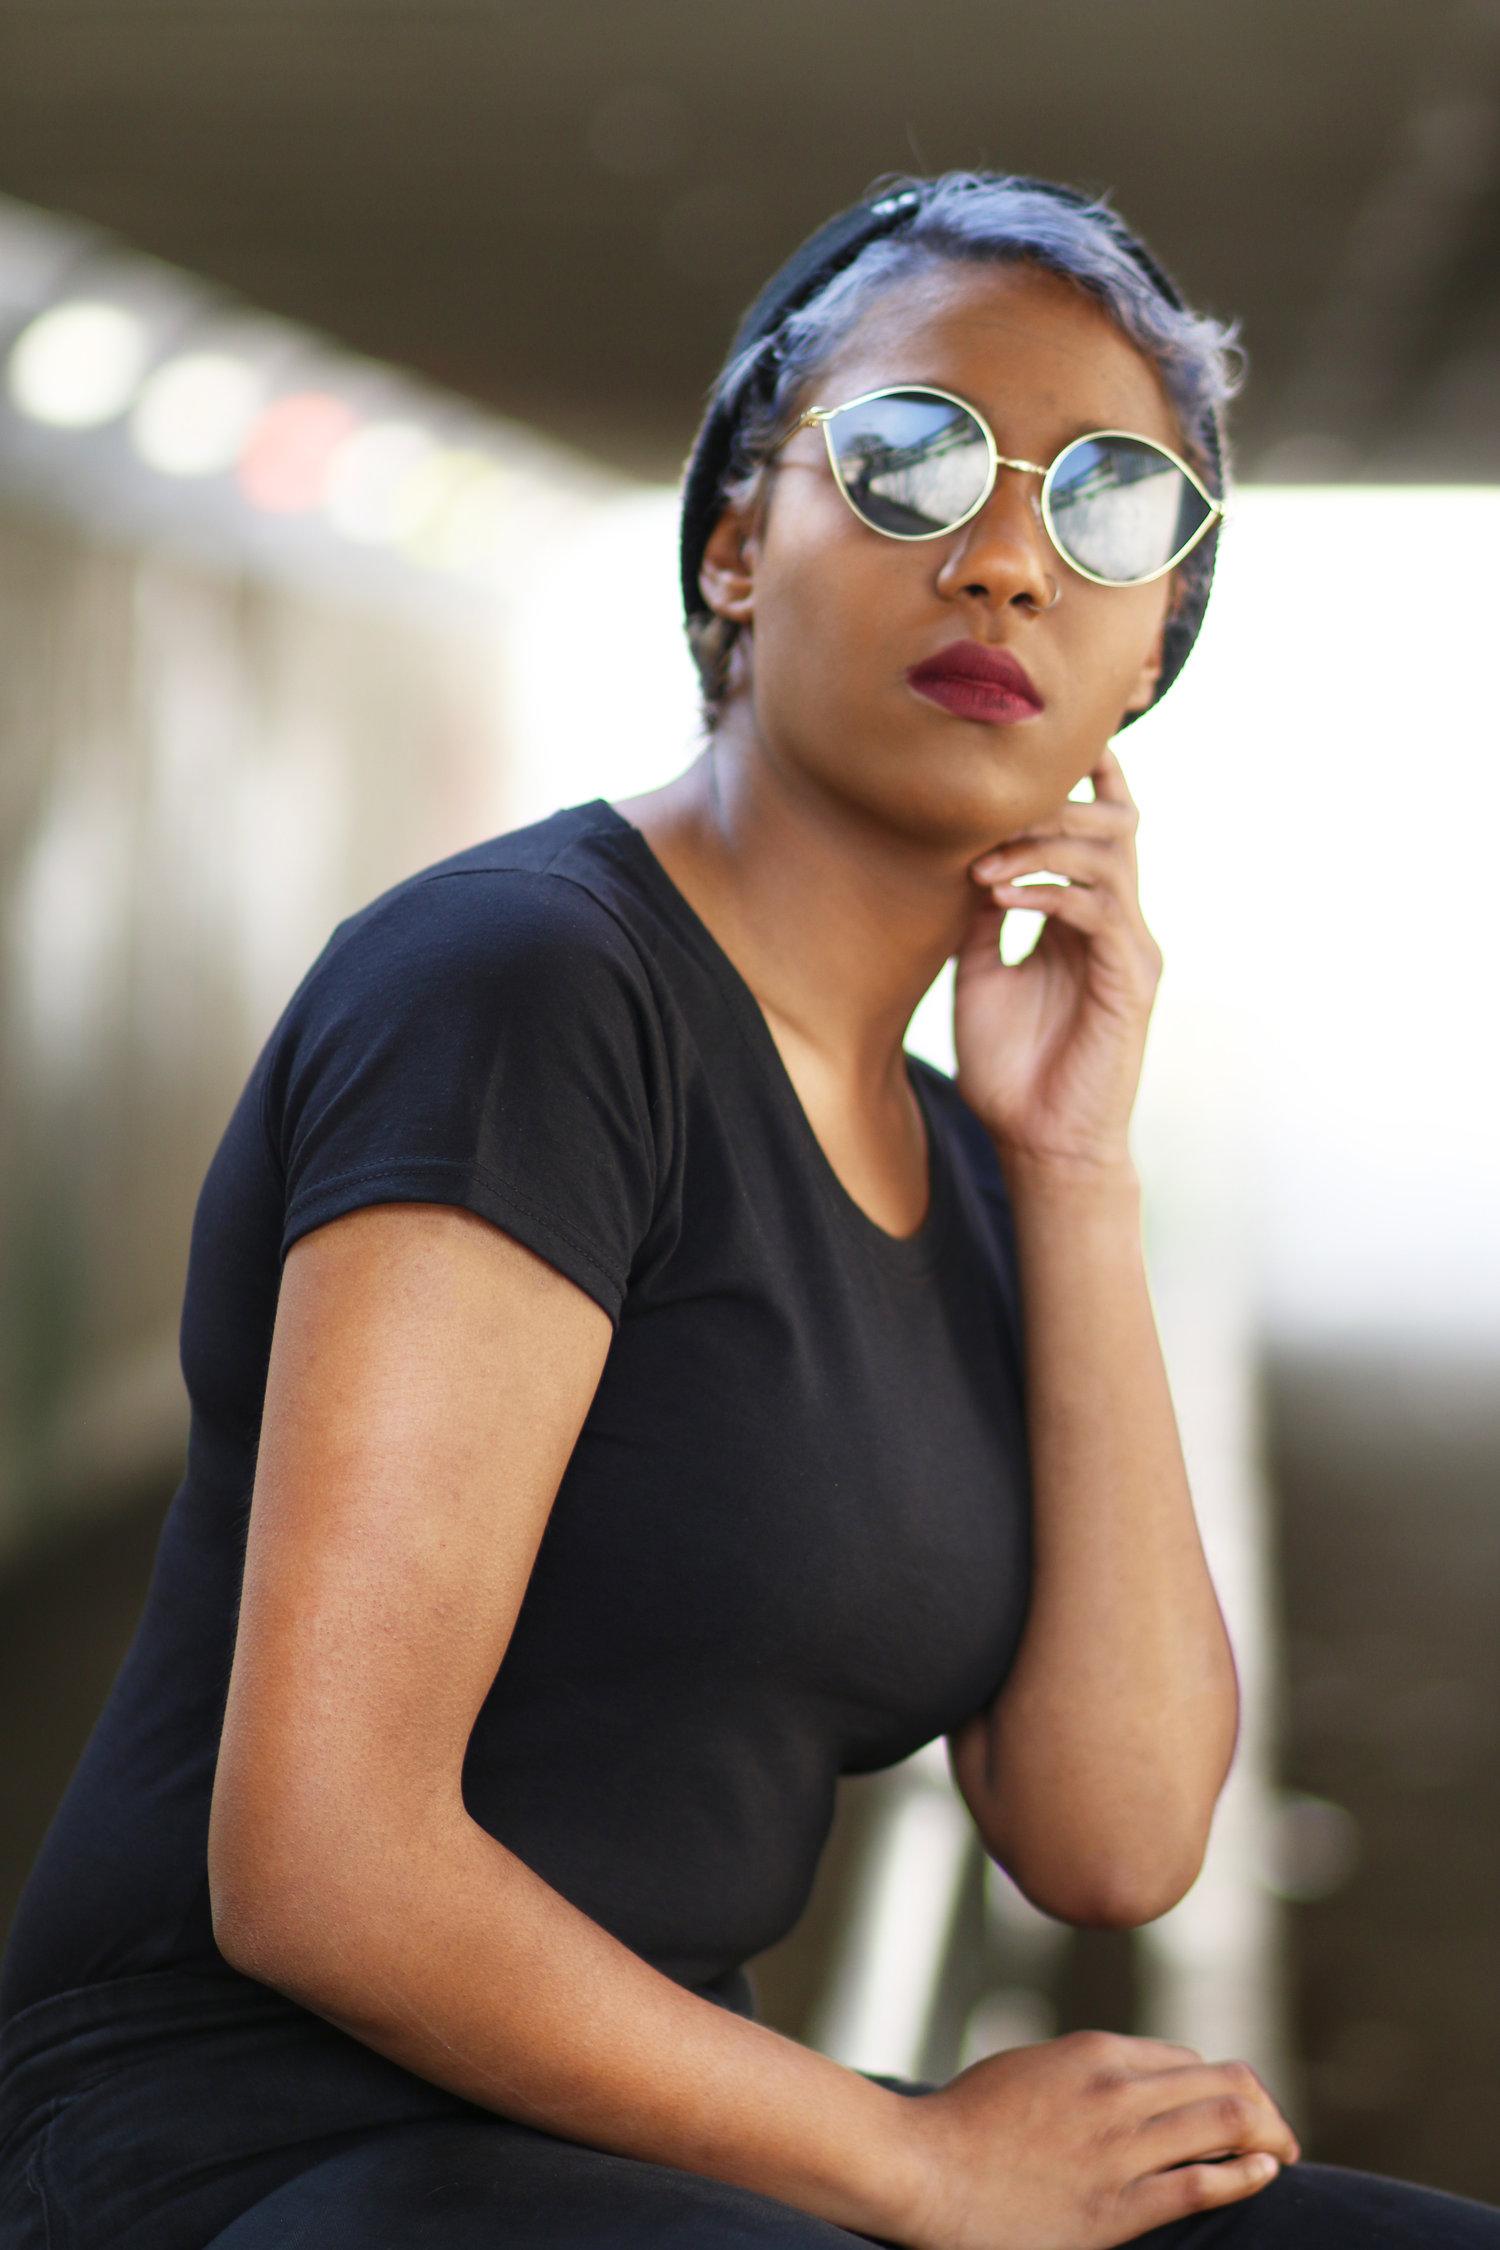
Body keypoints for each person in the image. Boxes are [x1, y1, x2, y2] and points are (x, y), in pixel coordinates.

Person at [0, 167, 1496, 2250]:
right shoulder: (527, 991)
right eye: (909, 461)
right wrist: (916, 2160)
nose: (1000, 561)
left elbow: (1115, 1831)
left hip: (651, 2145)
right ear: (736, 543)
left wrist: (1069, 1171)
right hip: (265, 2148)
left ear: (1154, 650)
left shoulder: (972, 1153)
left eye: (1112, 508)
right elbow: (321, 1864)